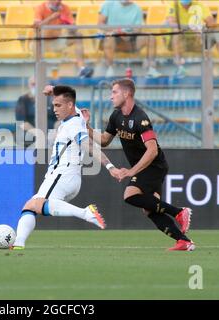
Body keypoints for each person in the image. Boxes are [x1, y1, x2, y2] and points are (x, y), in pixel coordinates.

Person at [83, 78, 195, 251]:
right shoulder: (116, 116)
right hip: (145, 167)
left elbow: (152, 151)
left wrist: (131, 171)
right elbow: (104, 141)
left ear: (127, 94)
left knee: (130, 195)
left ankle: (179, 212)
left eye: (114, 92)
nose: (110, 97)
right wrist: (87, 126)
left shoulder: (140, 118)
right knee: (150, 209)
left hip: (153, 166)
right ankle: (183, 241)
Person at [11, 85, 116, 250]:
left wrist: (110, 166)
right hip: (67, 177)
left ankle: (86, 213)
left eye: (58, 105)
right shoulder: (77, 116)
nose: (54, 109)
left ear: (69, 106)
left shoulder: (73, 125)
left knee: (34, 205)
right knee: (30, 207)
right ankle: (18, 243)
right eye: (53, 105)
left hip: (62, 175)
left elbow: (89, 145)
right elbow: (72, 101)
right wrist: (54, 90)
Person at [166, 0, 219, 78]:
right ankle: (179, 68)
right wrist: (192, 28)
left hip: (196, 40)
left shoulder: (199, 5)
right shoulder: (173, 5)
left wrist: (201, 29)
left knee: (217, 32)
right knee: (176, 32)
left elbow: (211, 23)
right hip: (181, 40)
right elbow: (172, 23)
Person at [98, 0, 162, 78]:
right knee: (109, 38)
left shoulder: (137, 8)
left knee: (151, 38)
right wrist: (117, 31)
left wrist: (128, 33)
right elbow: (100, 24)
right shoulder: (107, 4)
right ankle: (110, 68)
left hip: (131, 39)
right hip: (113, 37)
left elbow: (138, 29)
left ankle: (151, 69)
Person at [34, 0, 94, 78]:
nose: (57, 2)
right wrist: (51, 18)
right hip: (43, 42)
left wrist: (70, 26)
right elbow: (36, 27)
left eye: (59, 0)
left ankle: (82, 68)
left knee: (78, 35)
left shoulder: (65, 8)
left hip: (58, 40)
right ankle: (38, 72)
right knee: (36, 40)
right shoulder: (40, 8)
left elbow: (73, 27)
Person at [15, 76, 58, 146]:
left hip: (50, 136)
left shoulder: (51, 100)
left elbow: (58, 120)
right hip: (31, 136)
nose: (36, 87)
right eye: (33, 84)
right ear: (29, 85)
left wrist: (55, 131)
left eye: (38, 84)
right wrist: (39, 134)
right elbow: (22, 123)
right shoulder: (23, 100)